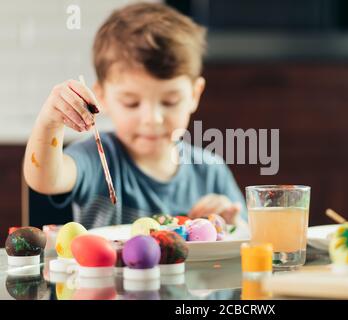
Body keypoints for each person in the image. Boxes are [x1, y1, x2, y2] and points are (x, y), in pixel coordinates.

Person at [23, 3, 247, 230]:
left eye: (170, 101)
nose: (152, 118)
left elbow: (248, 237)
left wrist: (229, 222)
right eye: (131, 103)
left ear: (194, 95)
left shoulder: (210, 171)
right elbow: (44, 179)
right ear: (101, 96)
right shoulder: (96, 159)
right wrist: (49, 122)